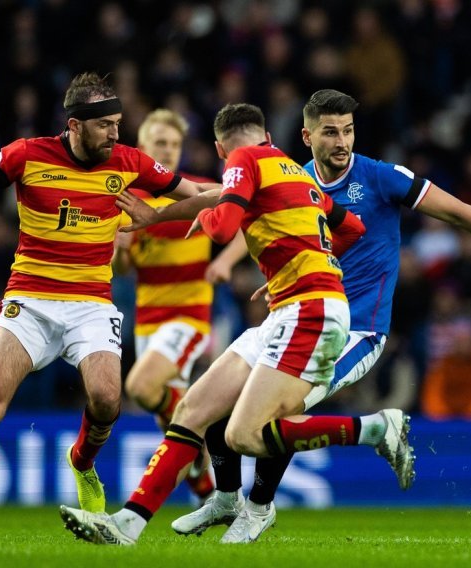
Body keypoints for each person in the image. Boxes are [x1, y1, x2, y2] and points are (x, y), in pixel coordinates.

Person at [166, 89, 471, 543]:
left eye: (348, 130)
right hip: (298, 312)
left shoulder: (380, 178)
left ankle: (259, 506)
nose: (342, 141)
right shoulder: (293, 179)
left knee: (277, 412)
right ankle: (230, 499)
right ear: (306, 136)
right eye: (330, 132)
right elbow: (258, 223)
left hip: (358, 329)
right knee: (228, 411)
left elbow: (456, 212)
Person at [0, 72, 212, 542]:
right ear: (75, 125)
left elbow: (199, 196)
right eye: (105, 125)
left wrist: (169, 212)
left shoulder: (130, 162)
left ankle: (82, 462)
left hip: (91, 303)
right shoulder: (26, 155)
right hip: (29, 300)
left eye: (118, 123)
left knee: (108, 400)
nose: (116, 133)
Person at [57, 103, 408, 547]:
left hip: (310, 311)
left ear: (222, 148)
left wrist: (202, 220)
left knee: (243, 434)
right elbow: (352, 226)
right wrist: (301, 261)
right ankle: (126, 524)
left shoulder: (245, 160)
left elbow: (222, 226)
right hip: (289, 307)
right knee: (193, 411)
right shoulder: (292, 171)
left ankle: (375, 428)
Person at [114, 108, 241, 501]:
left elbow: (253, 220)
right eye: (160, 144)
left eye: (174, 144)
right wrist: (119, 251)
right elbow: (122, 271)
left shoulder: (201, 191)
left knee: (139, 386)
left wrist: (223, 260)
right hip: (147, 320)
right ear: (142, 149)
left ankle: (203, 427)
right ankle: (210, 496)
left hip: (188, 317)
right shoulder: (128, 200)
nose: (167, 151)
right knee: (169, 423)